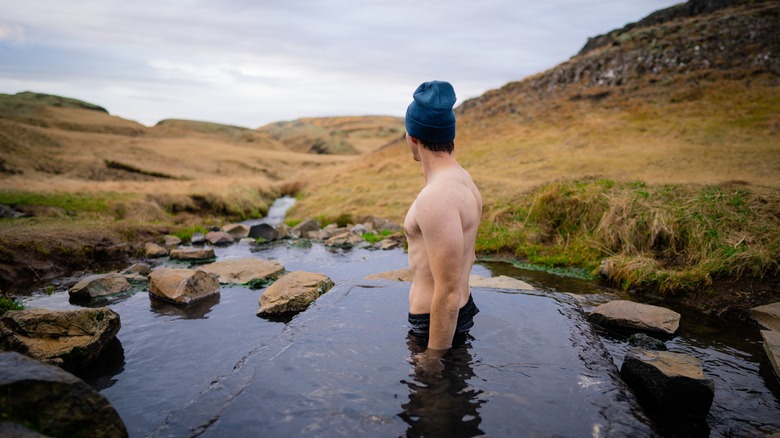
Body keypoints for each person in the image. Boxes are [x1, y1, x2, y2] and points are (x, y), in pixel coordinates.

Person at [403, 80, 483, 360]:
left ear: (412, 137)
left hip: (433, 327)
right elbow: (468, 256)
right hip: (459, 312)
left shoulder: (436, 197)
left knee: (431, 401)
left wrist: (433, 358)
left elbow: (447, 292)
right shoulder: (464, 180)